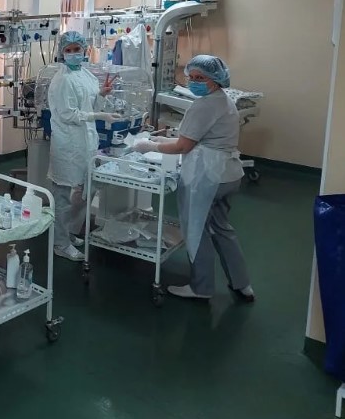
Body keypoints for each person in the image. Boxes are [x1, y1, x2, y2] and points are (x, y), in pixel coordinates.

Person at [134, 55, 254, 302]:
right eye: (192, 77)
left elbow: (183, 147)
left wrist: (149, 146)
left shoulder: (203, 105)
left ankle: (201, 288)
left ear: (216, 79)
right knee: (222, 228)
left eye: (201, 78)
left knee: (197, 230)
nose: (194, 82)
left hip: (208, 177)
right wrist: (160, 139)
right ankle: (242, 283)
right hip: (229, 175)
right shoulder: (224, 100)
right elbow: (195, 139)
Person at [47, 31, 119, 262]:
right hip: (67, 143)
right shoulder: (62, 79)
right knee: (63, 196)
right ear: (62, 53)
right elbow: (68, 114)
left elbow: (90, 102)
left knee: (85, 189)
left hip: (85, 141)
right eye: (68, 50)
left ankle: (68, 233)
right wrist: (99, 115)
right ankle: (60, 243)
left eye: (77, 49)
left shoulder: (86, 74)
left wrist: (102, 94)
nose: (73, 54)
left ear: (84, 50)